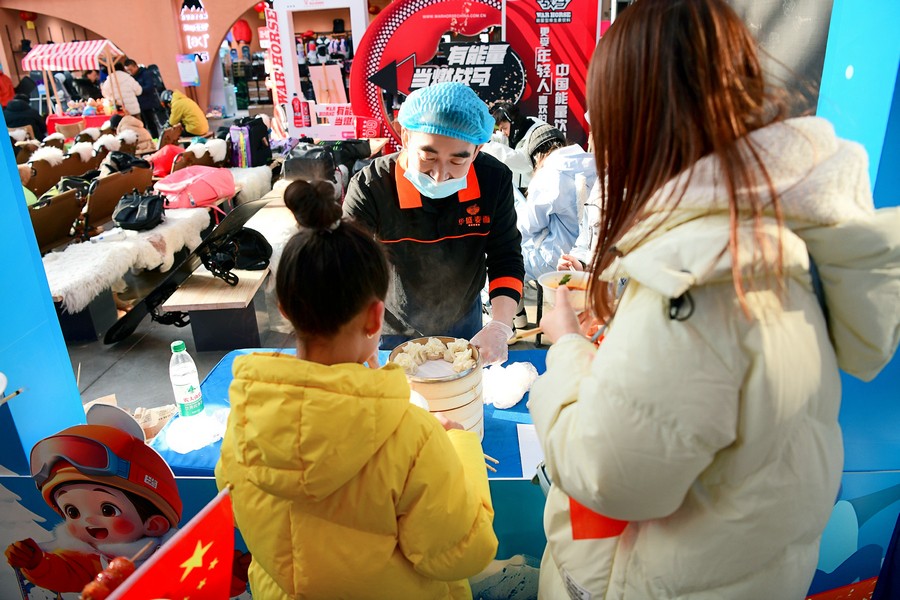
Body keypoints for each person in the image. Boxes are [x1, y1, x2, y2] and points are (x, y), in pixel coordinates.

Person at [529, 0, 900, 598]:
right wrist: (628, 326)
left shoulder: (695, 281)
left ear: (644, 117)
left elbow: (609, 475)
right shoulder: (776, 231)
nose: (596, 137)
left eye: (605, 114)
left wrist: (568, 349)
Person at [215, 179, 498, 599]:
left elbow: (237, 509)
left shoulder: (245, 419)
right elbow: (464, 552)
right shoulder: (413, 437)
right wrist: (460, 445)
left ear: (284, 309)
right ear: (375, 317)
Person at [343, 82, 525, 365]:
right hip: (389, 324)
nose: (440, 175)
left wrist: (500, 326)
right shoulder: (371, 187)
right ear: (405, 136)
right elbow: (347, 267)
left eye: (457, 161)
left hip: (464, 318)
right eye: (428, 157)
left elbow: (506, 256)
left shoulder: (493, 180)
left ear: (476, 150)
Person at [4, 423, 181, 593]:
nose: (87, 520)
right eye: (73, 512)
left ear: (154, 525)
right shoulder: (90, 560)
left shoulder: (181, 555)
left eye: (108, 510)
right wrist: (37, 564)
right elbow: (63, 573)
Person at [517, 124, 597, 282]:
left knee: (507, 261)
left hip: (558, 259)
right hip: (586, 254)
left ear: (536, 157)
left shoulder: (548, 174)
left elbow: (527, 227)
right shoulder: (589, 166)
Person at [480, 102, 547, 189]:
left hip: (534, 189)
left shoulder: (535, 133)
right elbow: (501, 140)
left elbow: (524, 163)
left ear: (513, 122)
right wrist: (483, 139)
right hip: (517, 190)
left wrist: (489, 146)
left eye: (504, 128)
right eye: (500, 129)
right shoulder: (516, 132)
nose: (503, 133)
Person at [124, 59, 162, 138]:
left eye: (131, 69)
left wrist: (138, 90)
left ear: (136, 66)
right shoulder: (130, 78)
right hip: (138, 105)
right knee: (141, 125)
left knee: (150, 123)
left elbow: (150, 87)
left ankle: (155, 138)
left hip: (148, 103)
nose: (130, 72)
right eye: (127, 70)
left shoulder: (145, 73)